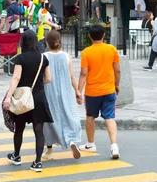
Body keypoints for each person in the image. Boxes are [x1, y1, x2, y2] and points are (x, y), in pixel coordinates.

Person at [3, 30, 53, 172]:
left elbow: (16, 78)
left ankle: (17, 156)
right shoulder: (43, 58)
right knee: (39, 130)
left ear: (23, 42)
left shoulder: (20, 58)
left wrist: (8, 97)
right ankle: (37, 162)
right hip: (38, 97)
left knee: (19, 128)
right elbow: (48, 79)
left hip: (22, 98)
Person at [77, 24, 121, 159]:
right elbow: (117, 70)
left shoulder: (86, 52)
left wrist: (79, 90)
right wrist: (116, 85)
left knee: (90, 116)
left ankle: (90, 144)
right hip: (108, 89)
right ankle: (114, 146)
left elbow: (83, 74)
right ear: (103, 35)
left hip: (92, 91)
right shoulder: (112, 49)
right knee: (110, 117)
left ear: (90, 36)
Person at [42, 31, 83, 160]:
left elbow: (44, 76)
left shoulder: (44, 56)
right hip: (66, 91)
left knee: (49, 120)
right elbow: (71, 76)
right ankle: (71, 140)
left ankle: (49, 151)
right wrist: (77, 91)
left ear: (47, 43)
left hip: (49, 91)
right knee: (68, 116)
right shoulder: (66, 56)